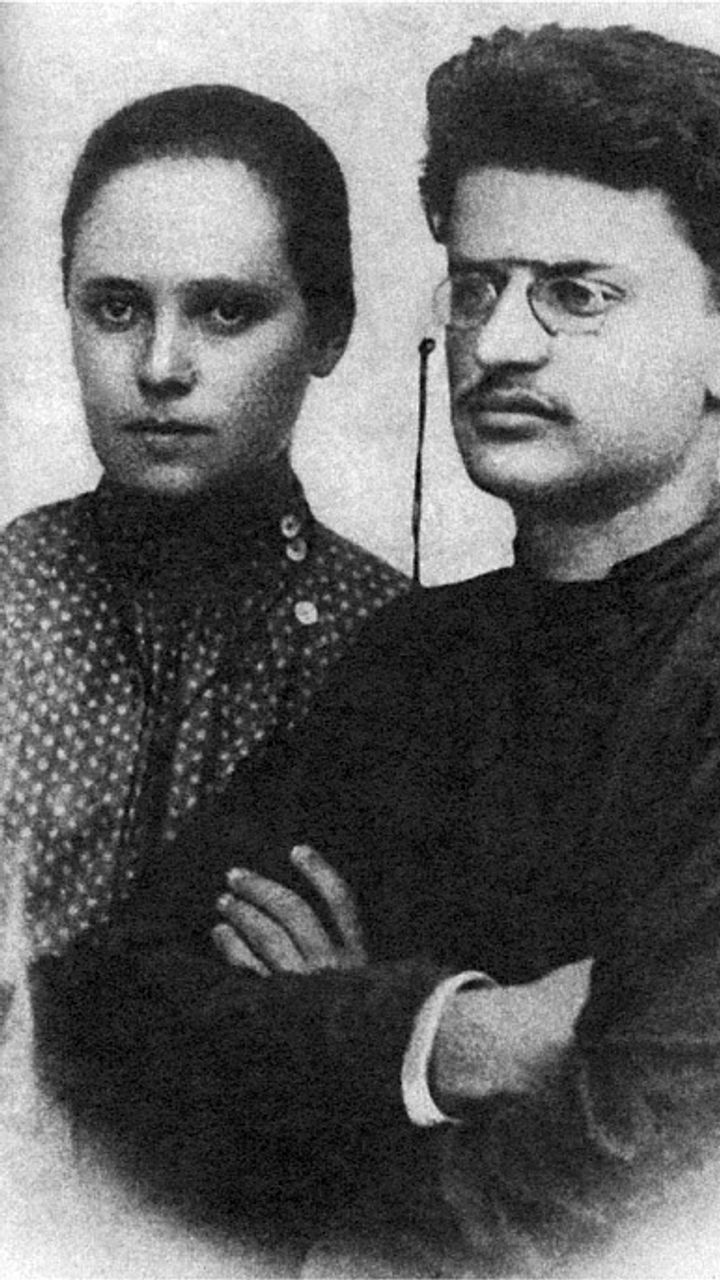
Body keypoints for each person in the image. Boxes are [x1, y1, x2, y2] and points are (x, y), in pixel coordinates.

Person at [33, 25, 720, 1275]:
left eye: (576, 293)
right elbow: (102, 1013)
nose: (499, 341)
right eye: (476, 286)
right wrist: (457, 1035)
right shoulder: (414, 655)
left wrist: (317, 1052)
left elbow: (638, 1178)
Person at [0, 85, 407, 959]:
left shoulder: (398, 652)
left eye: (225, 311)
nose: (160, 366)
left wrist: (355, 1005)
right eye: (116, 308)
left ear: (328, 331)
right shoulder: (11, 595)